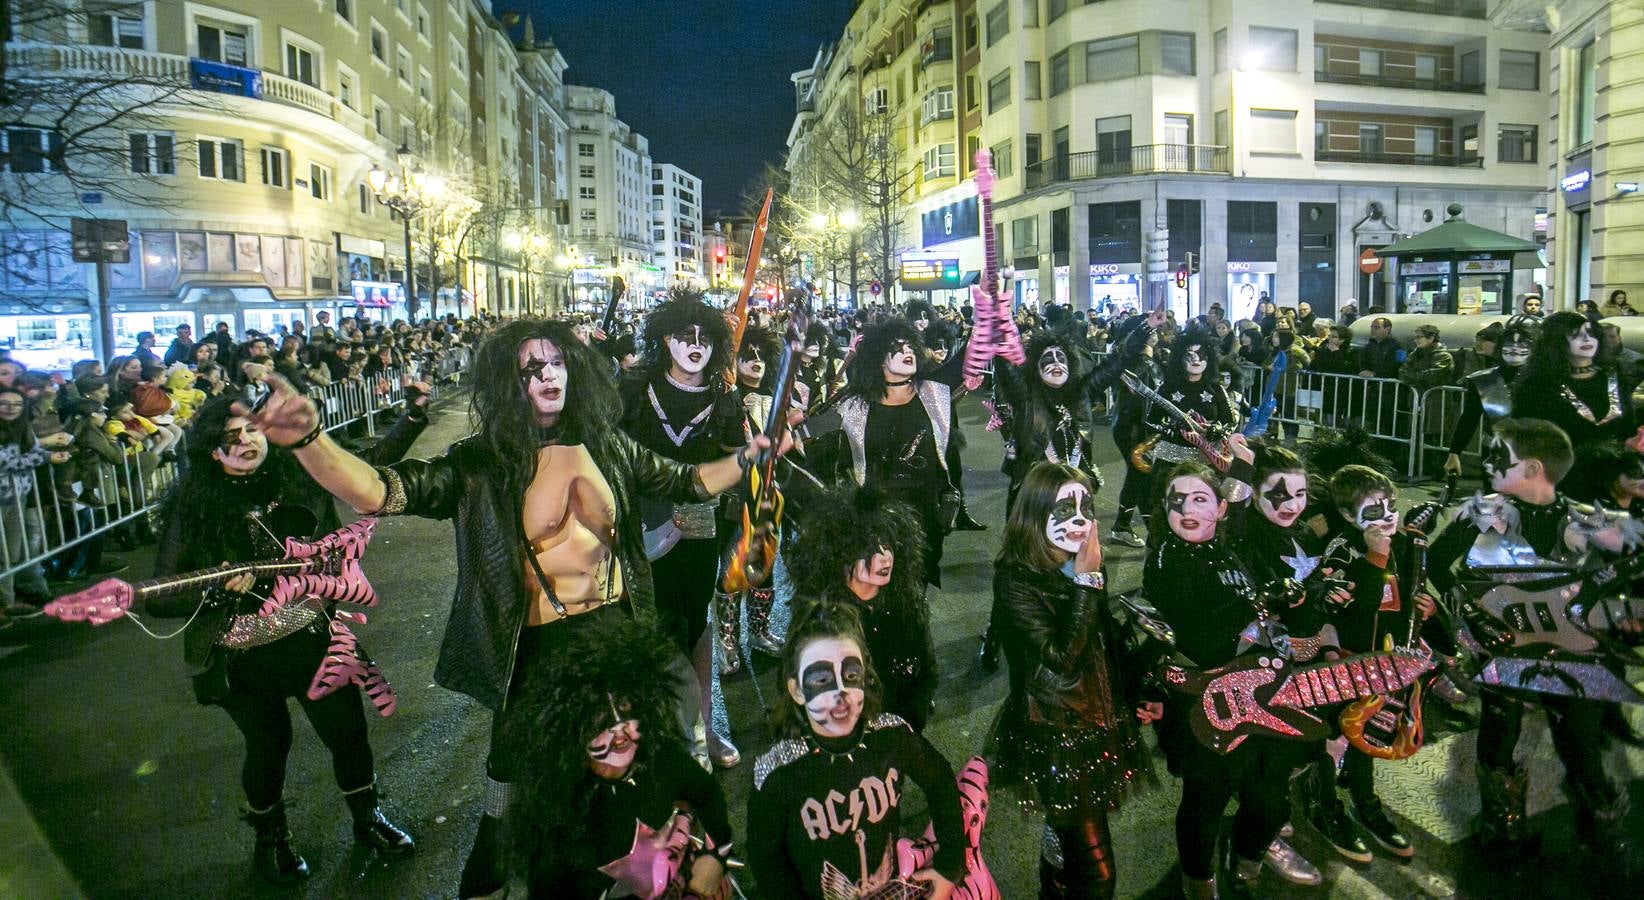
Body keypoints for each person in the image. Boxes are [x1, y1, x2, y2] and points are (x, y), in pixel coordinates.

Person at [237, 319, 786, 898]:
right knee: (519, 808)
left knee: (644, 775)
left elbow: (690, 481)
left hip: (618, 637)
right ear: (507, 382)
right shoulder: (481, 463)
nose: (548, 375)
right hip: (537, 657)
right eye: (531, 368)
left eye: (556, 363)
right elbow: (378, 491)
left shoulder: (606, 442)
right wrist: (308, 441)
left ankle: (649, 877)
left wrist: (752, 455)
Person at [74, 395, 427, 882]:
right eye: (229, 438)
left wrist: (411, 416)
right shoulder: (195, 506)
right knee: (268, 745)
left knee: (348, 733)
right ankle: (271, 839)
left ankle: (368, 821)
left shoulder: (298, 478)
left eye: (251, 431)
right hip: (241, 655)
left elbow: (365, 477)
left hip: (311, 638)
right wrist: (216, 587)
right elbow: (159, 597)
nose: (244, 442)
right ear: (212, 452)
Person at [1426, 419, 1643, 878]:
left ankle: (1601, 826)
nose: (1486, 463)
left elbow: (1620, 581)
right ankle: (1503, 831)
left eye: (1497, 455)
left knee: (1582, 743)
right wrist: (1477, 619)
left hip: (1576, 654)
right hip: (1505, 650)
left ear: (1533, 468)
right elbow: (1439, 568)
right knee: (1501, 741)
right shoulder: (1482, 512)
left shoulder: (1589, 519)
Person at [1140, 458, 1299, 899]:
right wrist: (1258, 604)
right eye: (1177, 500)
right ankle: (1198, 881)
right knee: (1205, 801)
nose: (1187, 509)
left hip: (1258, 696)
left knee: (1269, 796)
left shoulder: (1231, 549)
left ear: (1220, 509)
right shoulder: (1165, 562)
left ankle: (1247, 857)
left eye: (1199, 498)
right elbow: (1201, 636)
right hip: (1204, 704)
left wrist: (1297, 594)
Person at [990, 461, 1150, 899]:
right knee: (1099, 874)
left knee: (1066, 845)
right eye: (1064, 509)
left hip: (1095, 718)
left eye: (1086, 506)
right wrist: (1088, 578)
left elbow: (1100, 641)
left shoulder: (1077, 561)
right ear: (1034, 514)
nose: (1080, 520)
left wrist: (1134, 692)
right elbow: (1063, 658)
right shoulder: (1016, 579)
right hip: (1056, 732)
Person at [747, 601, 964, 899]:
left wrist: (950, 865)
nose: (841, 693)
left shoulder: (892, 736)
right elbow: (766, 861)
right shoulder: (777, 773)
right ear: (796, 690)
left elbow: (940, 780)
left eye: (851, 675)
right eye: (821, 679)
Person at [505, 617, 733, 898]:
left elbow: (706, 792)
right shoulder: (561, 810)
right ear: (571, 730)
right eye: (601, 722)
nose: (619, 732)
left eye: (625, 711)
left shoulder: (661, 759)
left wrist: (716, 856)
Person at [617, 291, 745, 767]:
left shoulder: (723, 397)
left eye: (706, 337)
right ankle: (655, 732)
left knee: (695, 623)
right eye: (685, 336)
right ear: (665, 338)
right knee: (646, 624)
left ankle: (705, 729)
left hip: (699, 524)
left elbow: (737, 459)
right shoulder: (633, 388)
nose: (696, 345)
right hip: (638, 526)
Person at [1313, 465, 1437, 862]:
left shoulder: (1405, 544)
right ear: (1349, 517)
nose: (1386, 517)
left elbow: (1410, 595)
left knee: (1371, 734)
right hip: (1346, 663)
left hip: (1388, 664)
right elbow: (1356, 606)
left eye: (1391, 507)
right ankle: (1324, 804)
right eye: (1373, 511)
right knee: (1335, 734)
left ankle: (1365, 802)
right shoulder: (1341, 549)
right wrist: (1374, 555)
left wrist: (1427, 610)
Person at [805, 318, 965, 588]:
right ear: (879, 359)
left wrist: (989, 303)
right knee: (878, 592)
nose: (908, 352)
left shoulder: (934, 393)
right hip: (875, 518)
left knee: (916, 590)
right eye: (898, 348)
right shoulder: (853, 404)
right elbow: (809, 436)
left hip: (924, 515)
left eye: (911, 347)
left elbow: (971, 356)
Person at [785, 484, 936, 731]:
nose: (885, 556)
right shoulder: (820, 613)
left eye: (888, 545)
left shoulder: (906, 600)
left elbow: (927, 671)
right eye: (871, 548)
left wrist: (909, 722)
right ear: (843, 552)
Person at [1445, 317, 1537, 477]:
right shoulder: (1483, 380)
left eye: (1522, 344)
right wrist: (1454, 453)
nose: (1514, 348)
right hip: (1494, 454)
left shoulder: (1544, 380)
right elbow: (1469, 418)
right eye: (1509, 343)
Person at [1398, 323, 1455, 390]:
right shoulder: (1415, 354)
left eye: (1419, 337)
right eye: (1415, 337)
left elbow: (1433, 377)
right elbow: (1402, 372)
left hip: (1435, 397)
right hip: (1417, 396)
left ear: (1431, 338)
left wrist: (1411, 376)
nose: (1415, 340)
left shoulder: (1443, 356)